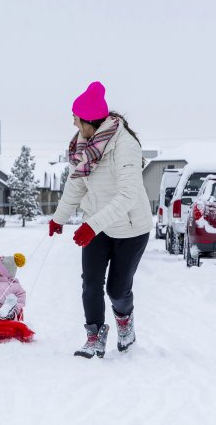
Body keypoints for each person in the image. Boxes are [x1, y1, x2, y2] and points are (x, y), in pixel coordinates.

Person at [48, 81, 152, 359]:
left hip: (130, 227)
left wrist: (90, 225)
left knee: (117, 289)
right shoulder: (83, 144)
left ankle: (125, 322)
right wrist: (59, 218)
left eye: (76, 118)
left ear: (89, 120)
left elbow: (128, 195)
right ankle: (94, 335)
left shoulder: (124, 145)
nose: (73, 122)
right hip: (97, 223)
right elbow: (77, 184)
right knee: (91, 282)